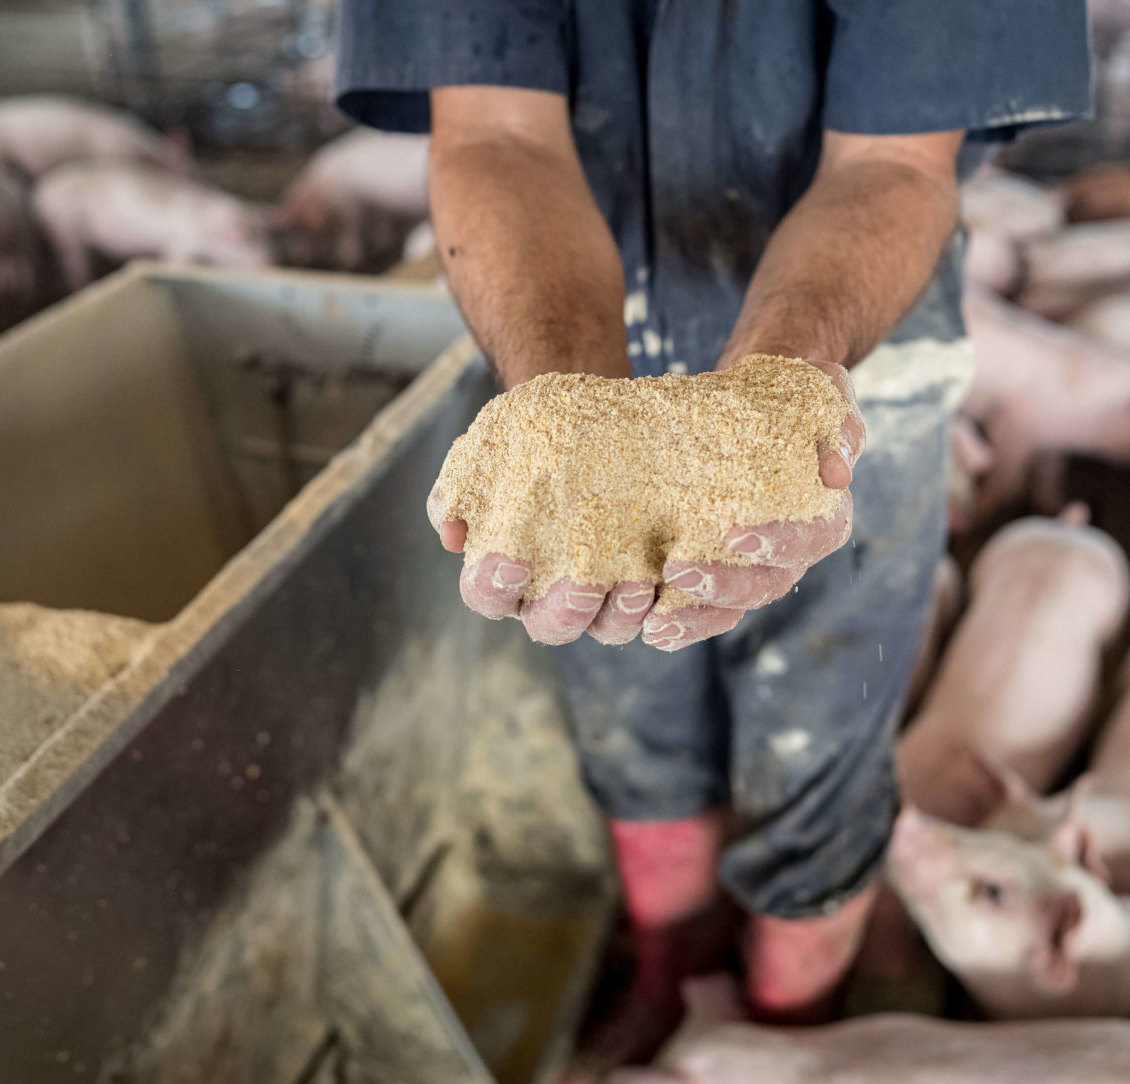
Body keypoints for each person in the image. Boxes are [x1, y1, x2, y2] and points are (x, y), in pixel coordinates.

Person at [336, 1, 1090, 1074]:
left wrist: (783, 391)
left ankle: (786, 1033)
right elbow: (495, 135)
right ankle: (677, 984)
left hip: (851, 360)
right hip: (553, 311)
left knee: (820, 743)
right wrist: (563, 405)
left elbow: (893, 161)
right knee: (625, 712)